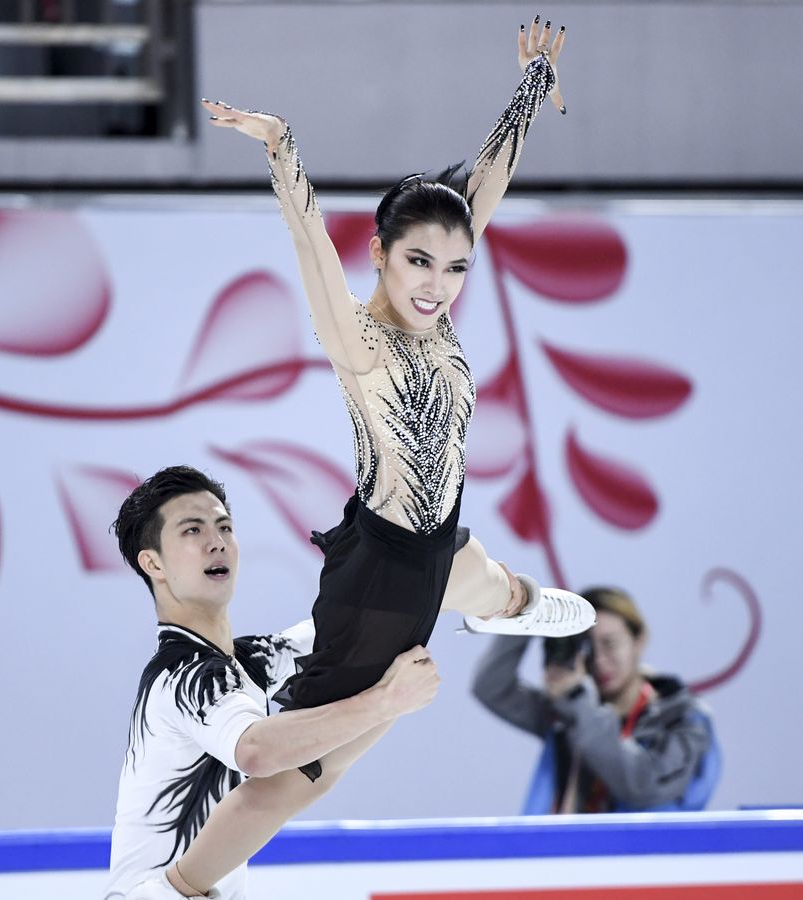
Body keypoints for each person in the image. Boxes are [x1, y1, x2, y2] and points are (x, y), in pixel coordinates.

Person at [130, 15, 596, 899]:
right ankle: (177, 887)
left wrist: (535, 84)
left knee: (489, 585)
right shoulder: (359, 341)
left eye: (455, 268)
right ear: (379, 254)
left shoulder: (438, 301)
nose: (438, 284)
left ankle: (511, 603)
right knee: (305, 776)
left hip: (438, 547)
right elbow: (310, 244)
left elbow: (484, 183)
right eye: (419, 262)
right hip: (381, 580)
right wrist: (283, 150)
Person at [106, 465, 441, 899]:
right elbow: (257, 752)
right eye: (193, 530)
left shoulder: (249, 663)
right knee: (299, 779)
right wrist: (384, 702)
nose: (216, 541)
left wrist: (494, 596)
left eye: (224, 526)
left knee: (311, 774)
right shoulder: (184, 675)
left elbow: (359, 630)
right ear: (153, 563)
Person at [472, 587, 721, 814]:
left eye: (609, 644)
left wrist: (578, 700)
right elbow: (491, 688)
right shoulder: (568, 711)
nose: (600, 660)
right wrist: (524, 613)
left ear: (639, 640)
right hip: (561, 848)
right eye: (588, 648)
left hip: (642, 851)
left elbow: (643, 786)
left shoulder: (684, 717)